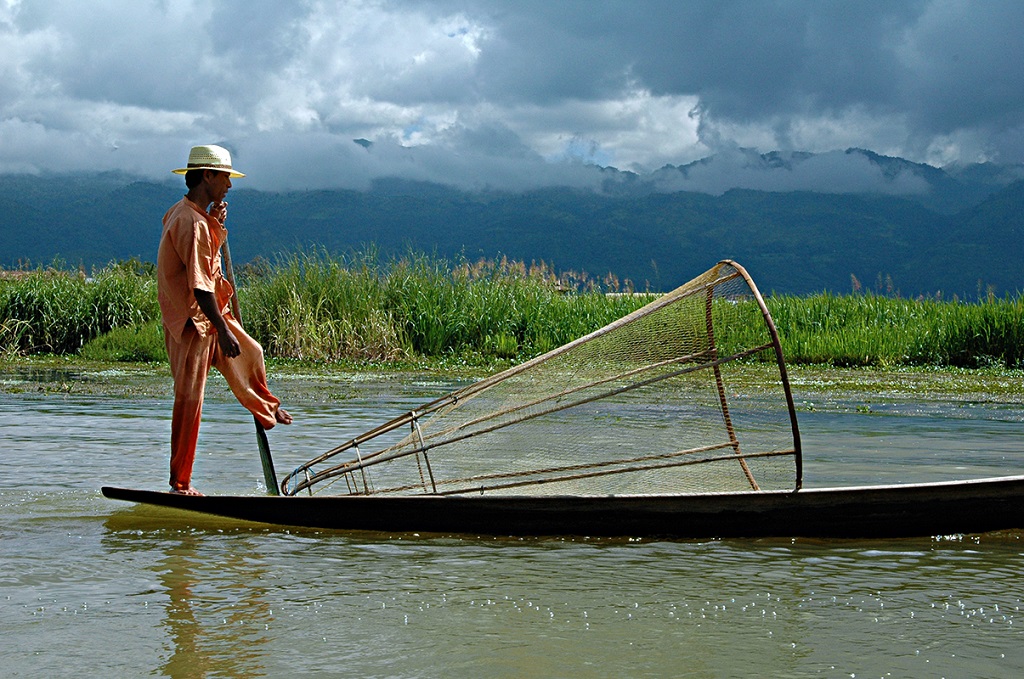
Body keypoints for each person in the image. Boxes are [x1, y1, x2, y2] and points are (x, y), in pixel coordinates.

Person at [157, 144, 292, 495]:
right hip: (194, 322)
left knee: (252, 350)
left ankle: (265, 405)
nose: (229, 186)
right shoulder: (190, 221)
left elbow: (204, 260)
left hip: (209, 316)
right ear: (208, 176)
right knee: (190, 400)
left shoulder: (189, 216)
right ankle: (180, 483)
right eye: (225, 178)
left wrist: (214, 221)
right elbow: (200, 286)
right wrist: (221, 330)